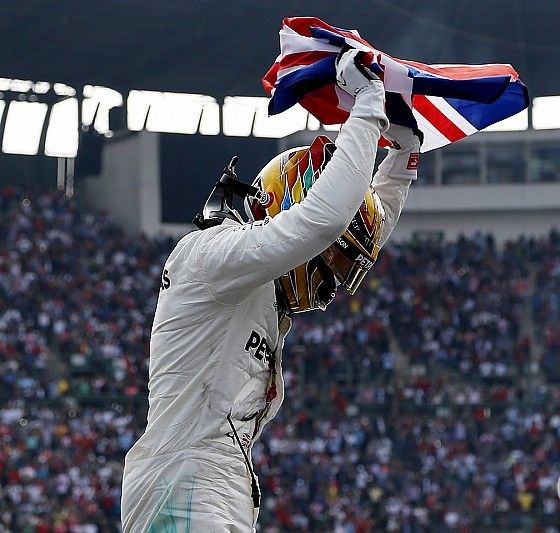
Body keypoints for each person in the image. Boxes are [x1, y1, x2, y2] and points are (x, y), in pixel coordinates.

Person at [120, 47, 421, 532]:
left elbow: (351, 233)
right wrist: (366, 109)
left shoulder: (253, 287)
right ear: (287, 204)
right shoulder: (210, 255)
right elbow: (324, 223)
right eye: (327, 268)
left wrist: (403, 158)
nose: (326, 284)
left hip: (209, 479)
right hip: (185, 478)